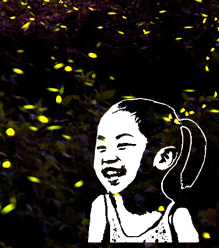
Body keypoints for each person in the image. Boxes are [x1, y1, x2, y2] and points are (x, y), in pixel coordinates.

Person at [88, 98, 207, 242]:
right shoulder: (102, 208)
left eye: (123, 145)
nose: (107, 157)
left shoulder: (176, 217)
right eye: (101, 148)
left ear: (164, 158)